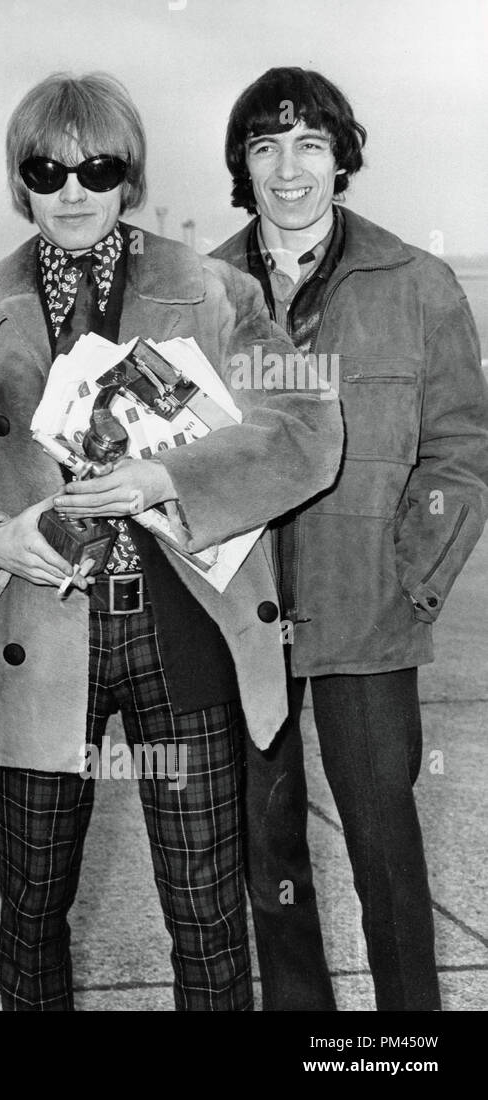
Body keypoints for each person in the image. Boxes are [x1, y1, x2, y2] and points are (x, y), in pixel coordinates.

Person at [0, 71, 343, 1011]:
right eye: (46, 168)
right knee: (31, 912)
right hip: (43, 635)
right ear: (20, 179)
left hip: (181, 626)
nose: (72, 189)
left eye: (97, 168)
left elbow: (307, 427)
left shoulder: (217, 295)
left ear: (127, 175)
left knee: (207, 912)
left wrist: (170, 478)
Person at [213, 67, 488, 1011]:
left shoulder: (416, 283)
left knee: (384, 843)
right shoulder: (199, 294)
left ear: (341, 160)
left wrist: (412, 575)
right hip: (242, 624)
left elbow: (460, 447)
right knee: (267, 846)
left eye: (309, 146)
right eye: (264, 148)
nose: (287, 170)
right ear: (242, 167)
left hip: (368, 620)